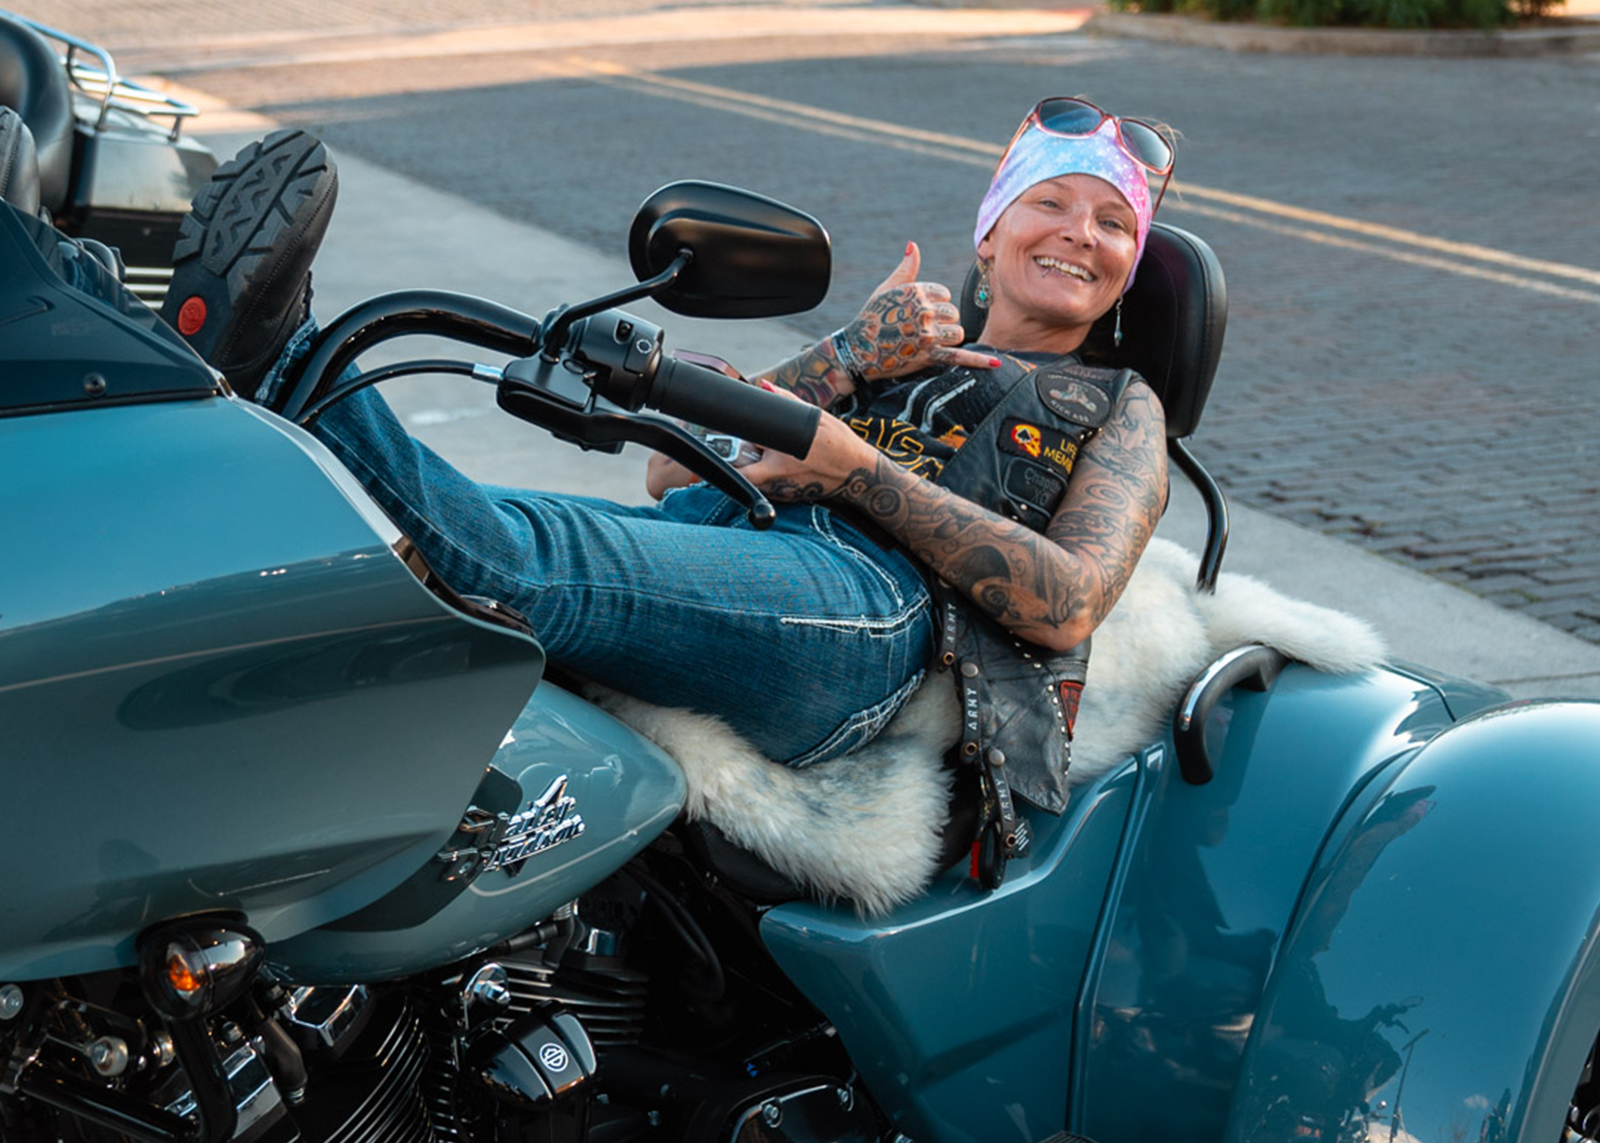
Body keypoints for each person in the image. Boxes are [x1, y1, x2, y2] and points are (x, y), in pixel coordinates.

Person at [152, 100, 1174, 804]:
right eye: (1051, 202)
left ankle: (275, 349)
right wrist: (854, 353)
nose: (1080, 232)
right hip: (720, 534)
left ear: (1130, 272)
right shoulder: (895, 341)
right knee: (371, 545)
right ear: (990, 233)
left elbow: (1071, 599)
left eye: (1114, 223)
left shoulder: (1119, 404)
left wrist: (858, 469)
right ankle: (245, 370)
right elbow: (676, 470)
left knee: (511, 557)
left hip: (867, 614)